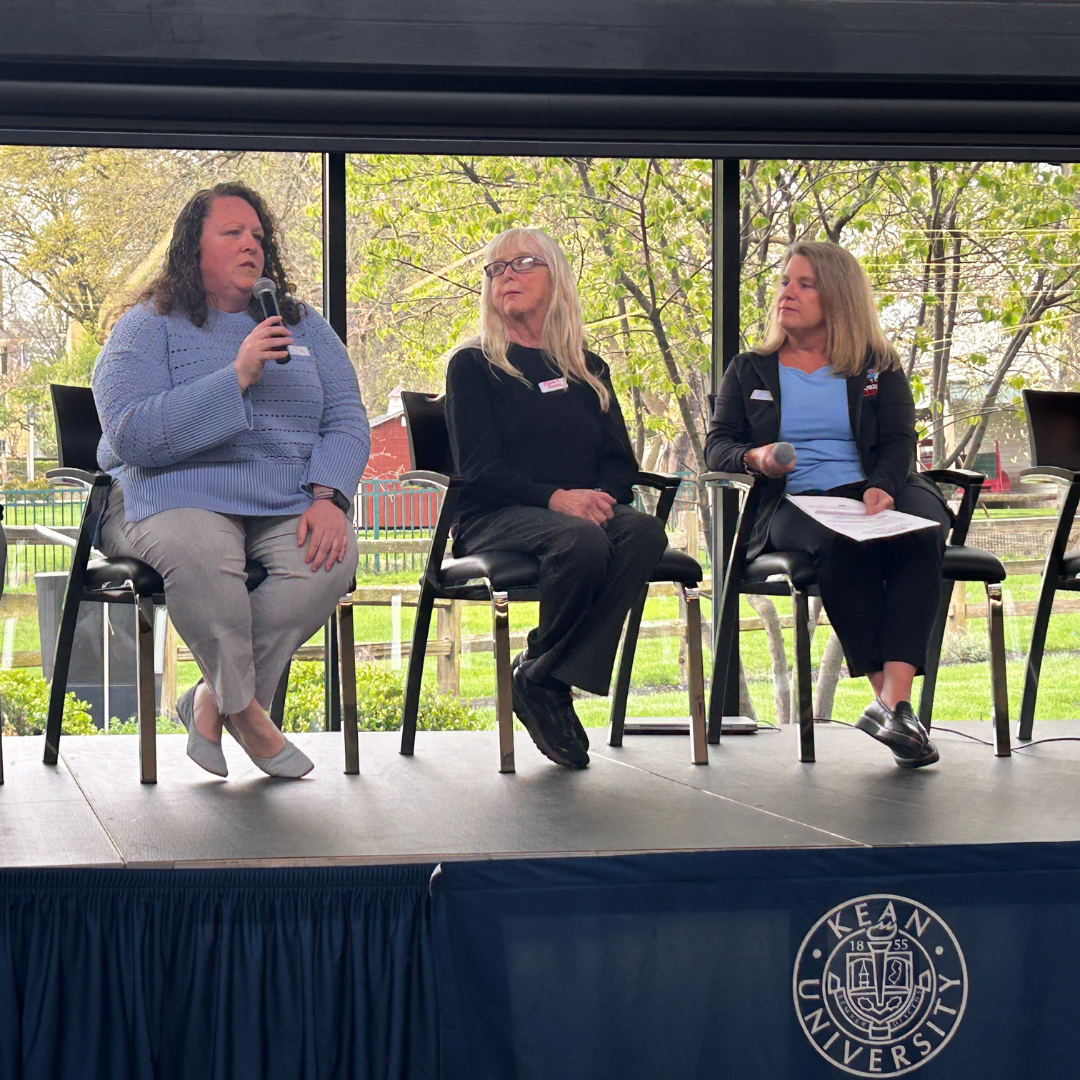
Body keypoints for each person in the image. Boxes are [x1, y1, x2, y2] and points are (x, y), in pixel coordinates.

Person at [93, 182, 368, 779]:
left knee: (327, 559)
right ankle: (251, 718)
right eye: (233, 233)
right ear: (194, 248)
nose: (252, 246)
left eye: (259, 237)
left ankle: (211, 702)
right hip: (169, 491)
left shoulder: (303, 325)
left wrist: (329, 497)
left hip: (280, 496)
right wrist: (236, 375)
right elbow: (132, 432)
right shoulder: (144, 327)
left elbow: (347, 418)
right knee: (201, 549)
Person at [705, 240, 949, 769]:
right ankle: (895, 707)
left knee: (923, 528)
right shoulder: (750, 369)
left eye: (804, 284)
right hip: (794, 501)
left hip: (871, 489)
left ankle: (892, 701)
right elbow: (717, 445)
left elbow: (900, 440)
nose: (786, 293)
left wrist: (882, 485)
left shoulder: (877, 365)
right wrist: (757, 457)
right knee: (842, 542)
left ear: (837, 297)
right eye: (785, 282)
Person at [446, 227, 669, 769]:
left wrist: (601, 497)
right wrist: (557, 499)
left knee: (643, 531)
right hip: (493, 515)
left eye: (522, 263)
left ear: (557, 278)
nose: (506, 276)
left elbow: (618, 463)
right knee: (581, 540)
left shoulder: (589, 370)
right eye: (496, 269)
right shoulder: (474, 366)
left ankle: (541, 674)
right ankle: (549, 682)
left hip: (573, 515)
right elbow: (477, 470)